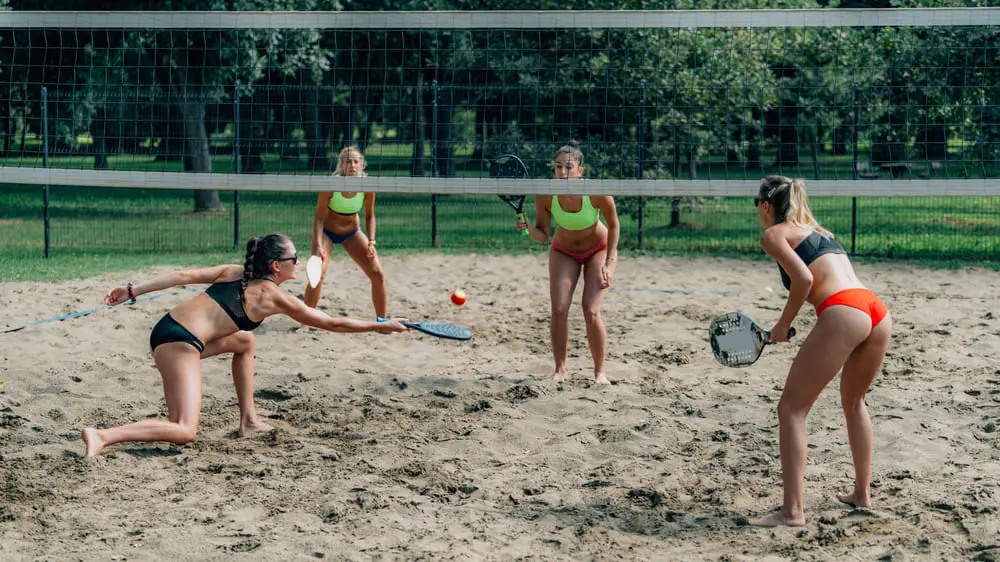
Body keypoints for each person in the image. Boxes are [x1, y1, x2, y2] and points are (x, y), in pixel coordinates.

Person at [81, 233, 408, 458]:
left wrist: (132, 290)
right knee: (184, 430)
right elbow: (331, 323)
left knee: (244, 341)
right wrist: (380, 325)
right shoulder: (273, 297)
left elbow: (182, 275)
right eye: (294, 258)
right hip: (179, 343)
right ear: (277, 266)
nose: (298, 262)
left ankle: (248, 422)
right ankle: (103, 436)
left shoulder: (236, 272)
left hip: (170, 329)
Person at [748, 176, 892, 527]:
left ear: (765, 206)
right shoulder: (819, 230)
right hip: (876, 310)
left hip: (845, 311)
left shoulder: (773, 234)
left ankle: (792, 512)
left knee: (791, 409)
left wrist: (783, 324)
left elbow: (805, 280)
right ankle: (862, 495)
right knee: (855, 402)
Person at [515, 141, 620, 385]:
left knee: (591, 310)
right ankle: (560, 370)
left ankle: (600, 373)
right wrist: (527, 227)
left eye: (568, 167)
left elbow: (614, 226)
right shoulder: (546, 193)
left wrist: (609, 263)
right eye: (558, 166)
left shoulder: (595, 191)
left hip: (598, 249)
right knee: (560, 309)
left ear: (580, 171)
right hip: (564, 251)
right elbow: (542, 235)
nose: (562, 172)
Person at [303, 146, 387, 319]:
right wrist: (318, 247)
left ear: (362, 165)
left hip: (351, 232)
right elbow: (319, 218)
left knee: (377, 273)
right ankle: (306, 321)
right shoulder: (331, 184)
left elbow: (370, 216)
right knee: (317, 273)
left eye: (356, 161)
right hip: (326, 232)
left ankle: (382, 321)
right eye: (348, 161)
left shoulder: (367, 186)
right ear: (341, 165)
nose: (352, 165)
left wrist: (371, 241)